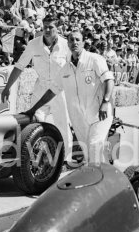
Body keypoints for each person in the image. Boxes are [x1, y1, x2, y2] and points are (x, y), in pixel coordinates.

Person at [25, 30, 114, 164]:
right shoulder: (65, 69)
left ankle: (100, 179)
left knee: (95, 147)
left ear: (83, 43)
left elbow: (109, 80)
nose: (74, 43)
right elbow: (51, 91)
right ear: (68, 44)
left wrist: (105, 102)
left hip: (99, 114)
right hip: (79, 119)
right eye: (71, 40)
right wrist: (34, 109)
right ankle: (104, 178)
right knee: (89, 155)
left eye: (78, 39)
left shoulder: (95, 59)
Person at [1, 15, 72, 158]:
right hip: (41, 88)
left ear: (57, 28)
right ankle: (38, 154)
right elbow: (19, 66)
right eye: (45, 26)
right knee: (36, 121)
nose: (46, 30)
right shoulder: (33, 44)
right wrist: (7, 87)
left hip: (60, 91)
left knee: (63, 125)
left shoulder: (66, 46)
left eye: (51, 27)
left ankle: (65, 159)